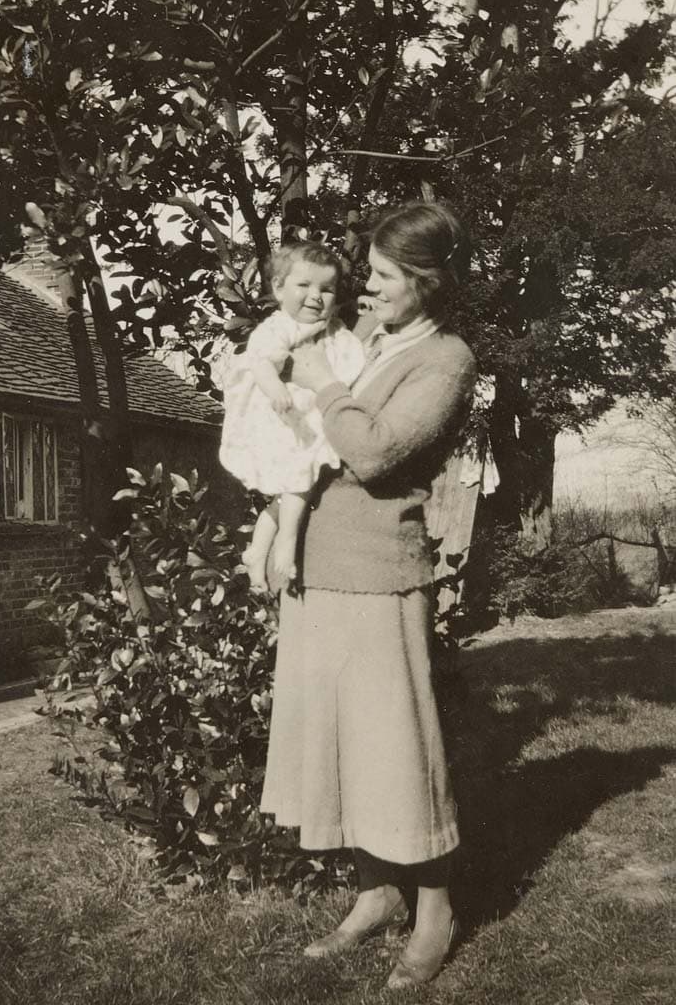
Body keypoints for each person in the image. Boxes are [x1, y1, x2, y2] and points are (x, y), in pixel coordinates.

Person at [260, 200, 477, 990]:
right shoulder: (374, 344)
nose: (368, 287)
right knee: (347, 746)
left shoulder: (445, 360)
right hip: (320, 571)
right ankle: (375, 892)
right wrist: (270, 527)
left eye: (384, 276)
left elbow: (376, 454)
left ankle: (435, 911)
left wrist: (320, 382)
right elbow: (309, 453)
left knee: (399, 750)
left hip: (382, 576)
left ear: (425, 281)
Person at [219, 241, 365, 590]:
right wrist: (277, 390)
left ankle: (257, 552)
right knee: (298, 481)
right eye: (305, 286)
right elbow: (261, 362)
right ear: (279, 289)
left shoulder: (333, 329)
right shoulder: (279, 326)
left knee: (288, 492)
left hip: (306, 420)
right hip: (283, 419)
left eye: (326, 289)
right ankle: (286, 541)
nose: (316, 296)